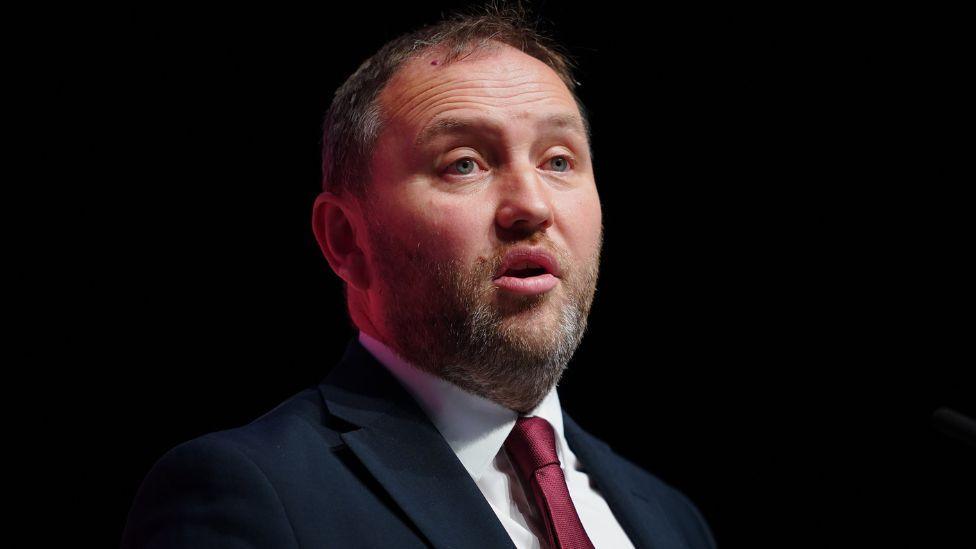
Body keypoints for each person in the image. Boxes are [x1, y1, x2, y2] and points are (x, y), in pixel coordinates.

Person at [121, 4, 717, 548]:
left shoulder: (671, 520)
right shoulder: (249, 494)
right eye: (464, 164)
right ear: (346, 240)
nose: (532, 206)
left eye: (558, 160)